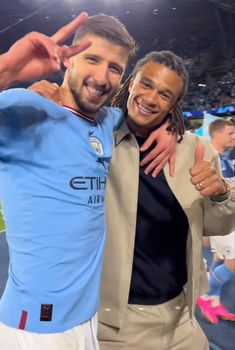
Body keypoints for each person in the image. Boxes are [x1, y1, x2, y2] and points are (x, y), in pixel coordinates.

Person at [30, 51, 235, 350]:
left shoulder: (195, 149)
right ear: (130, 83)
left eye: (165, 94)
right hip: (118, 326)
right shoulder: (93, 138)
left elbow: (217, 225)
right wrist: (32, 105)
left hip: (182, 318)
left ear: (174, 104)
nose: (151, 98)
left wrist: (220, 193)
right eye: (146, 84)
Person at [0, 14, 177, 350]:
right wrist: (7, 69)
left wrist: (171, 125)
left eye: (115, 68)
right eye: (92, 59)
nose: (102, 77)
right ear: (68, 60)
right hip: (37, 327)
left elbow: (148, 110)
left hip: (88, 319)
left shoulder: (107, 121)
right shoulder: (25, 111)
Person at [197, 119, 235, 324]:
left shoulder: (225, 158)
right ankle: (204, 297)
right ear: (217, 134)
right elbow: (199, 194)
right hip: (221, 223)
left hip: (230, 219)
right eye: (230, 133)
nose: (233, 137)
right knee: (233, 264)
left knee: (220, 259)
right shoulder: (207, 159)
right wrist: (205, 230)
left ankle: (215, 302)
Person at [0, 12, 91, 91]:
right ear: (68, 60)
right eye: (92, 60)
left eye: (106, 67)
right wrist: (6, 71)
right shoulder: (16, 104)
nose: (101, 79)